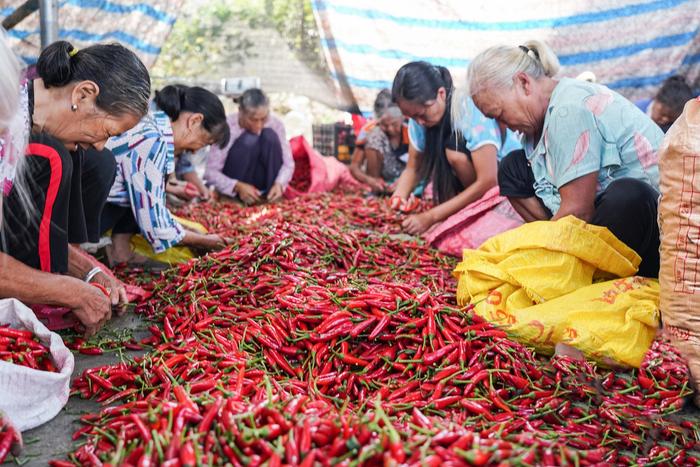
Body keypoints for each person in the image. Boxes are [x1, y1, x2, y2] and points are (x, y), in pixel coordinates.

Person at [466, 40, 662, 278]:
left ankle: (580, 272)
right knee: (512, 167)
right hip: (606, 216)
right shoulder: (537, 123)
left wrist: (531, 259)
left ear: (524, 83)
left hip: (655, 233)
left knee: (628, 196)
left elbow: (578, 211)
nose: (502, 126)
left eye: (500, 114)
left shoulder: (567, 109)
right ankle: (567, 259)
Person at [0, 38, 151, 335]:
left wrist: (90, 271)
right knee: (51, 155)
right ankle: (33, 300)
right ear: (83, 94)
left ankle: (42, 283)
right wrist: (64, 290)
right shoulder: (9, 118)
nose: (99, 144)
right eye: (106, 131)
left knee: (99, 161)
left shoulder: (27, 114)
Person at [102, 84, 232, 264]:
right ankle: (107, 253)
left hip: (93, 199)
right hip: (85, 208)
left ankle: (120, 250)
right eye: (204, 142)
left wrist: (183, 228)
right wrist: (205, 241)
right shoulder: (152, 140)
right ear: (194, 121)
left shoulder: (154, 124)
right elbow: (156, 227)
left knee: (145, 192)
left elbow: (151, 203)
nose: (195, 152)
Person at [390, 61, 522, 236]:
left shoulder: (468, 108)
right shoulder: (418, 119)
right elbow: (413, 168)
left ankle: (476, 212)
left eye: (422, 114)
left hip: (508, 179)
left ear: (441, 94)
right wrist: (398, 199)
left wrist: (430, 217)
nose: (419, 122)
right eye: (413, 117)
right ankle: (461, 210)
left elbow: (488, 180)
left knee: (454, 152)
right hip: (476, 184)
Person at [205, 88, 294, 204]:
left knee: (269, 135)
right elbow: (211, 172)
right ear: (240, 111)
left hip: (264, 183)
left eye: (264, 118)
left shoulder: (275, 124)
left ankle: (269, 195)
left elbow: (288, 164)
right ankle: (233, 198)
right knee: (249, 139)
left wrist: (279, 184)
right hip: (235, 182)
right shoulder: (227, 127)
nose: (259, 125)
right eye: (253, 119)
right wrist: (236, 186)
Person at [349, 90, 410, 192]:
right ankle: (378, 189)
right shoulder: (369, 129)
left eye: (394, 124)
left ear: (402, 117)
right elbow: (354, 167)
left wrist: (405, 180)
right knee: (374, 136)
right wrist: (369, 180)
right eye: (385, 125)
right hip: (381, 179)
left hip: (406, 178)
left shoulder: (411, 127)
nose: (390, 129)